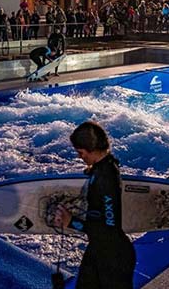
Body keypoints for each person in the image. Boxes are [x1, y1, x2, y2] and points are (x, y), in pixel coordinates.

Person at [53, 122, 135, 289]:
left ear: (91, 148)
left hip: (114, 258)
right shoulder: (104, 166)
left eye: (80, 153)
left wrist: (72, 222)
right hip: (99, 249)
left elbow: (109, 228)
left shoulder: (106, 178)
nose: (80, 157)